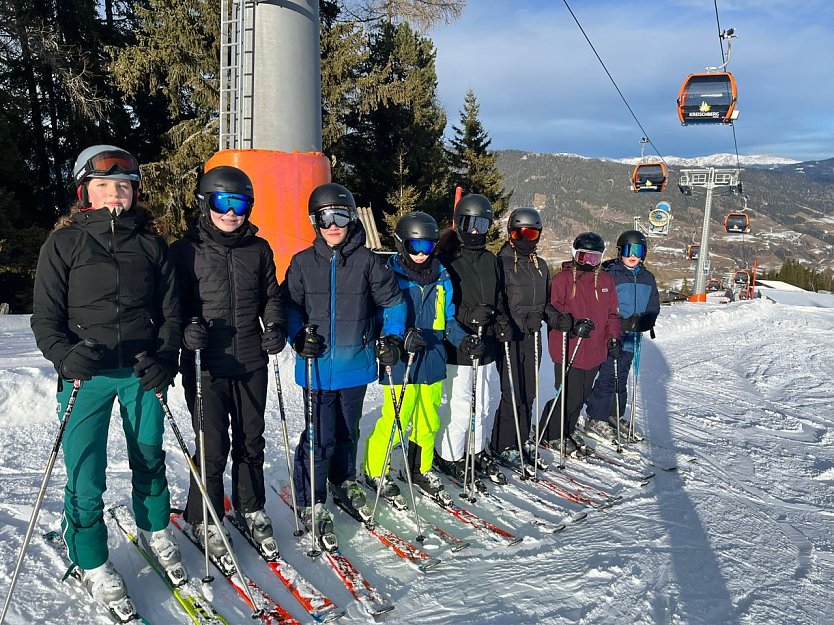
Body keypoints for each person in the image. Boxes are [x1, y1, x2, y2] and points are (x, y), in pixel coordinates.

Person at [30, 145, 183, 612]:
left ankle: (155, 530)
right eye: (104, 186)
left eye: (124, 186)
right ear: (85, 193)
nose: (115, 194)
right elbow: (44, 318)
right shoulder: (64, 243)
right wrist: (64, 357)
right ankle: (92, 558)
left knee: (150, 456)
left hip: (140, 372)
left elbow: (172, 314)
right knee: (86, 471)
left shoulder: (153, 246)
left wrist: (166, 359)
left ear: (135, 192)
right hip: (87, 376)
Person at [170, 165, 286, 559]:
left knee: (252, 441)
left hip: (251, 359)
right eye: (223, 202)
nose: (231, 212)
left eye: (241, 203)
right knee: (213, 445)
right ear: (206, 203)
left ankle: (250, 506)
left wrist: (275, 325)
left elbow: (272, 296)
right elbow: (172, 306)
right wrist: (187, 329)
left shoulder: (259, 249)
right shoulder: (185, 251)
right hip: (206, 362)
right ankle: (203, 516)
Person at [283, 183, 405, 538]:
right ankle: (311, 497)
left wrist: (393, 337)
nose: (332, 225)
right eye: (324, 217)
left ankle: (343, 479)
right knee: (319, 437)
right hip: (317, 367)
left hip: (355, 364)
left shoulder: (367, 262)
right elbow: (289, 306)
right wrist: (296, 336)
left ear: (352, 219)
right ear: (314, 222)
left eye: (340, 216)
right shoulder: (303, 263)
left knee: (347, 432)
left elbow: (393, 302)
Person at [362, 211, 467, 506]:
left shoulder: (443, 276)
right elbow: (377, 317)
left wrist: (463, 339)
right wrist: (393, 341)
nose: (421, 255)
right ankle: (374, 469)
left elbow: (447, 318)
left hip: (432, 356)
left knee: (428, 417)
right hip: (400, 358)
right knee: (397, 416)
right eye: (414, 247)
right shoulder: (388, 276)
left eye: (428, 247)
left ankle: (420, 469)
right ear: (400, 244)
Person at [492, 207, 569, 471]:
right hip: (509, 337)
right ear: (510, 233)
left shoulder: (541, 266)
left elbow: (545, 303)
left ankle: (522, 438)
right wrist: (515, 323)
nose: (525, 239)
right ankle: (503, 444)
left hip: (531, 338)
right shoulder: (500, 263)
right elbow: (497, 303)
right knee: (512, 393)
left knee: (529, 393)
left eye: (531, 233)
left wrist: (556, 318)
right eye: (519, 232)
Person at [433, 193, 503, 485]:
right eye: (469, 223)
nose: (475, 230)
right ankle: (449, 456)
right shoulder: (446, 259)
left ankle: (475, 450)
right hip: (459, 345)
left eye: (482, 224)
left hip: (486, 344)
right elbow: (441, 305)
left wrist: (500, 320)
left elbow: (498, 297)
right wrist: (468, 314)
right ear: (459, 223)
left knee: (486, 403)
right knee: (460, 406)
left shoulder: (490, 259)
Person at [538, 232, 621, 456]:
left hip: (595, 349)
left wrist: (613, 337)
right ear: (575, 255)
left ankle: (567, 428)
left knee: (582, 395)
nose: (589, 263)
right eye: (584, 257)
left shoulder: (605, 281)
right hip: (568, 347)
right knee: (567, 393)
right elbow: (552, 310)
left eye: (594, 258)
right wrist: (570, 324)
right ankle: (550, 433)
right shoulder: (562, 280)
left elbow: (612, 313)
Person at [584, 230, 659, 440]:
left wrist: (646, 321)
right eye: (628, 250)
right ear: (620, 252)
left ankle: (614, 414)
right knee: (608, 376)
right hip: (611, 336)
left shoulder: (647, 278)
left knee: (622, 377)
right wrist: (618, 322)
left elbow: (653, 305)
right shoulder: (610, 273)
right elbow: (600, 303)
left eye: (638, 250)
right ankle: (595, 417)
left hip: (632, 338)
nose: (632, 255)